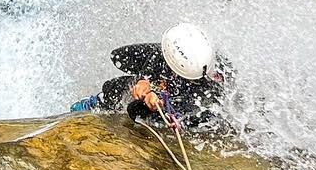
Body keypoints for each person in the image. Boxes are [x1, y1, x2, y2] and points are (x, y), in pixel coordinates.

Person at [70, 22, 227, 128]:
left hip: (188, 112)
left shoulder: (207, 92)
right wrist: (144, 80)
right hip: (177, 77)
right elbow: (130, 57)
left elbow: (182, 110)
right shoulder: (188, 53)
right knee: (122, 69)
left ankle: (102, 102)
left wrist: (155, 103)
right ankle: (100, 100)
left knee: (154, 111)